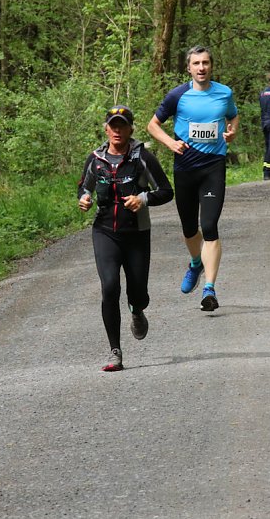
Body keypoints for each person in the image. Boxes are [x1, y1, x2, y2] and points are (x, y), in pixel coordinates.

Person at [78, 105, 173, 371]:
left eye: (123, 125)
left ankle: (137, 310)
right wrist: (84, 199)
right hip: (105, 231)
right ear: (106, 128)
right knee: (109, 287)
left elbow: (166, 191)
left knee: (138, 293)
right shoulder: (95, 159)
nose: (117, 130)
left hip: (137, 234)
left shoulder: (143, 157)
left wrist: (142, 198)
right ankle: (115, 351)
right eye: (113, 125)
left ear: (131, 129)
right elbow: (83, 188)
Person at [146, 45, 239, 312]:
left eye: (206, 63)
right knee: (189, 228)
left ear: (211, 66)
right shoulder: (177, 95)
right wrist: (169, 143)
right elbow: (153, 125)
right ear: (189, 68)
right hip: (185, 168)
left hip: (213, 167)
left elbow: (233, 117)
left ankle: (209, 289)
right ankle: (196, 263)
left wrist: (231, 133)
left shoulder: (224, 93)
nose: (201, 67)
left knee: (209, 226)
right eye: (196, 63)